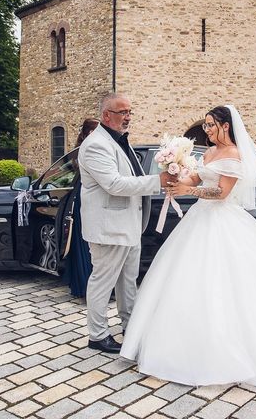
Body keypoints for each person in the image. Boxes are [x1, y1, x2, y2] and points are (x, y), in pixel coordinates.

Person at [120, 105, 256, 389]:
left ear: (226, 126)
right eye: (206, 126)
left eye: (212, 125)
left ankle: (232, 348)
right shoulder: (209, 152)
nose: (208, 130)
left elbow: (221, 193)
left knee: (227, 283)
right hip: (198, 220)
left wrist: (188, 191)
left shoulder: (235, 155)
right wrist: (177, 179)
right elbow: (197, 178)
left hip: (222, 220)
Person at [78, 93, 170, 353]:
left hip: (129, 225)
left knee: (128, 281)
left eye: (130, 111)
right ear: (106, 115)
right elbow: (114, 184)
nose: (128, 116)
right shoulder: (96, 144)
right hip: (109, 228)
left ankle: (131, 326)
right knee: (102, 282)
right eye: (123, 112)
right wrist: (158, 181)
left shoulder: (119, 140)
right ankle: (97, 336)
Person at [63, 118, 99, 298]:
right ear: (87, 133)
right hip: (82, 201)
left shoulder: (91, 149)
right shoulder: (82, 151)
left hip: (86, 199)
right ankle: (84, 285)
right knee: (84, 244)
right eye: (94, 130)